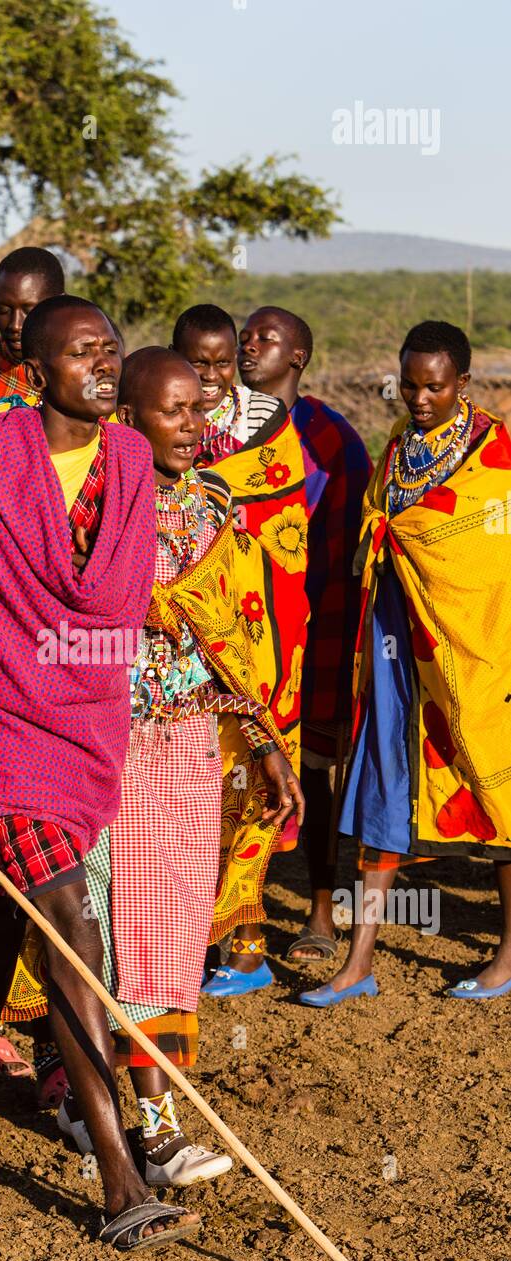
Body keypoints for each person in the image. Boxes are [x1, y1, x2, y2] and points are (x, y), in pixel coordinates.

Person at [0, 295, 201, 1250]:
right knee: (70, 925)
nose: (104, 367)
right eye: (83, 354)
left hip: (71, 732)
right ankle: (118, 1182)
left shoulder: (131, 462)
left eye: (111, 351)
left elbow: (114, 603)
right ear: (36, 368)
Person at [56, 347, 303, 1185]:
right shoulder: (86, 513)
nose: (195, 428)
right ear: (126, 419)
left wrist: (264, 743)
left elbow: (232, 640)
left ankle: (141, 1115)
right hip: (101, 751)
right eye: (173, 413)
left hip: (190, 743)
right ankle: (133, 1123)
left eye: (201, 410)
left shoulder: (213, 512)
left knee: (168, 933)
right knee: (101, 928)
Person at [303, 320, 511, 1006]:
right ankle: (358, 958)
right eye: (410, 384)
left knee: (489, 781)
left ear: (463, 384)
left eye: (434, 386)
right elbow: (381, 525)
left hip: (472, 648)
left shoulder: (494, 453)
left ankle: (508, 952)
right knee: (383, 775)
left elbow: (487, 554)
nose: (418, 398)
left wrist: (418, 545)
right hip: (395, 639)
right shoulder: (398, 446)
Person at [171, 305, 311, 995]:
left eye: (220, 362)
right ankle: (191, 938)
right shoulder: (160, 421)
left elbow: (284, 535)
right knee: (196, 786)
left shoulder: (270, 433)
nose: (208, 375)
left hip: (259, 641)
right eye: (194, 363)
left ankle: (249, 945)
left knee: (252, 782)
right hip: (189, 639)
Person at [236, 306, 373, 962]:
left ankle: (318, 909)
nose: (248, 347)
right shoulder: (215, 429)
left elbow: (349, 551)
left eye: (266, 339)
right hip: (231, 628)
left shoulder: (332, 439)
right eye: (245, 336)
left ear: (297, 357)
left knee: (313, 768)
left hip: (311, 626)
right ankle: (238, 917)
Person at [0, 246, 65, 430]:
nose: (15, 325)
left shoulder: (87, 364)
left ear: (60, 304)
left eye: (29, 310)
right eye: (3, 310)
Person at [171, 303, 284, 457]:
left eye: (223, 363)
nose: (211, 376)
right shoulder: (154, 413)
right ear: (173, 356)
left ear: (235, 356)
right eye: (198, 363)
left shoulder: (263, 415)